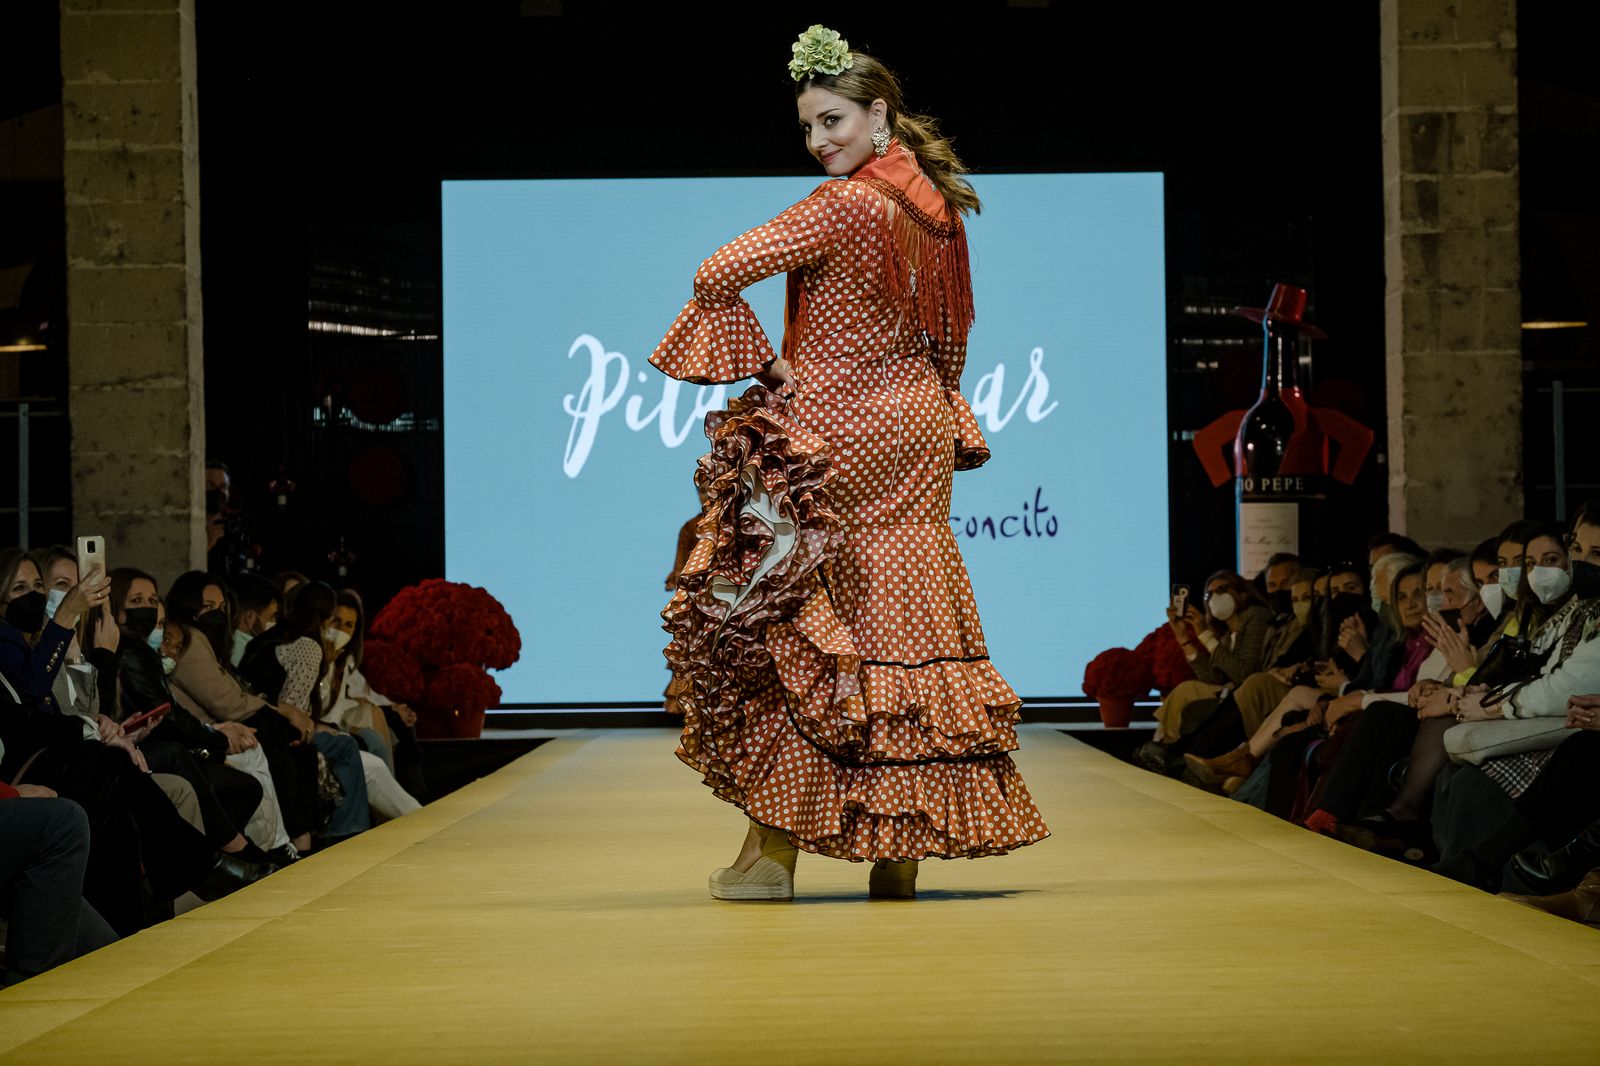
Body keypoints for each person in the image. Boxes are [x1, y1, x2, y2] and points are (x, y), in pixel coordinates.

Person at [647, 26, 1048, 901]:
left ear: (879, 113)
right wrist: (923, 402)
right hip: (916, 425)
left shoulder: (845, 205)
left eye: (832, 120)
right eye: (807, 127)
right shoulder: (934, 207)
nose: (820, 140)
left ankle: (773, 861)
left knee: (801, 623)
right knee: (904, 614)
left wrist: (772, 368)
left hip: (836, 426)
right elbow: (952, 337)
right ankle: (897, 851)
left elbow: (717, 272)